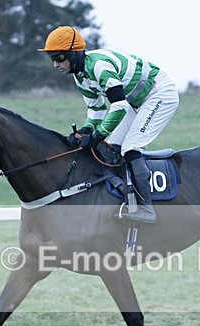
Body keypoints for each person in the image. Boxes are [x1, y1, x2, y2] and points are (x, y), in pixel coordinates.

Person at [38, 26, 179, 223]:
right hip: (133, 101)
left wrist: (98, 135)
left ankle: (147, 209)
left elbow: (119, 106)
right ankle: (126, 197)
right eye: (52, 58)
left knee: (131, 148)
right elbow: (96, 110)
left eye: (59, 57)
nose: (55, 64)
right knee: (113, 149)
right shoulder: (80, 77)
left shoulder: (99, 67)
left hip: (158, 94)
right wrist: (86, 131)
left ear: (74, 53)